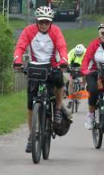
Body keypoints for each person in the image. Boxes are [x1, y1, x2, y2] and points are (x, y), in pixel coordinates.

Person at [13, 6, 68, 153]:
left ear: (51, 22)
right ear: (36, 21)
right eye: (41, 21)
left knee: (59, 80)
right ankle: (32, 135)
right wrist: (18, 61)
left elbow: (62, 47)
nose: (44, 25)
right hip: (35, 68)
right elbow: (20, 46)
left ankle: (57, 108)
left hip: (51, 67)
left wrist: (63, 60)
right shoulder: (28, 31)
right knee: (31, 105)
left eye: (47, 22)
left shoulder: (56, 31)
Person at [67, 44, 86, 108]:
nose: (78, 55)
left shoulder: (86, 52)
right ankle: (70, 99)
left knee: (85, 73)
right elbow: (68, 61)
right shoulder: (72, 52)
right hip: (74, 66)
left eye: (80, 54)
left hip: (82, 65)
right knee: (70, 83)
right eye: (77, 54)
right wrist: (68, 67)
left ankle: (83, 84)